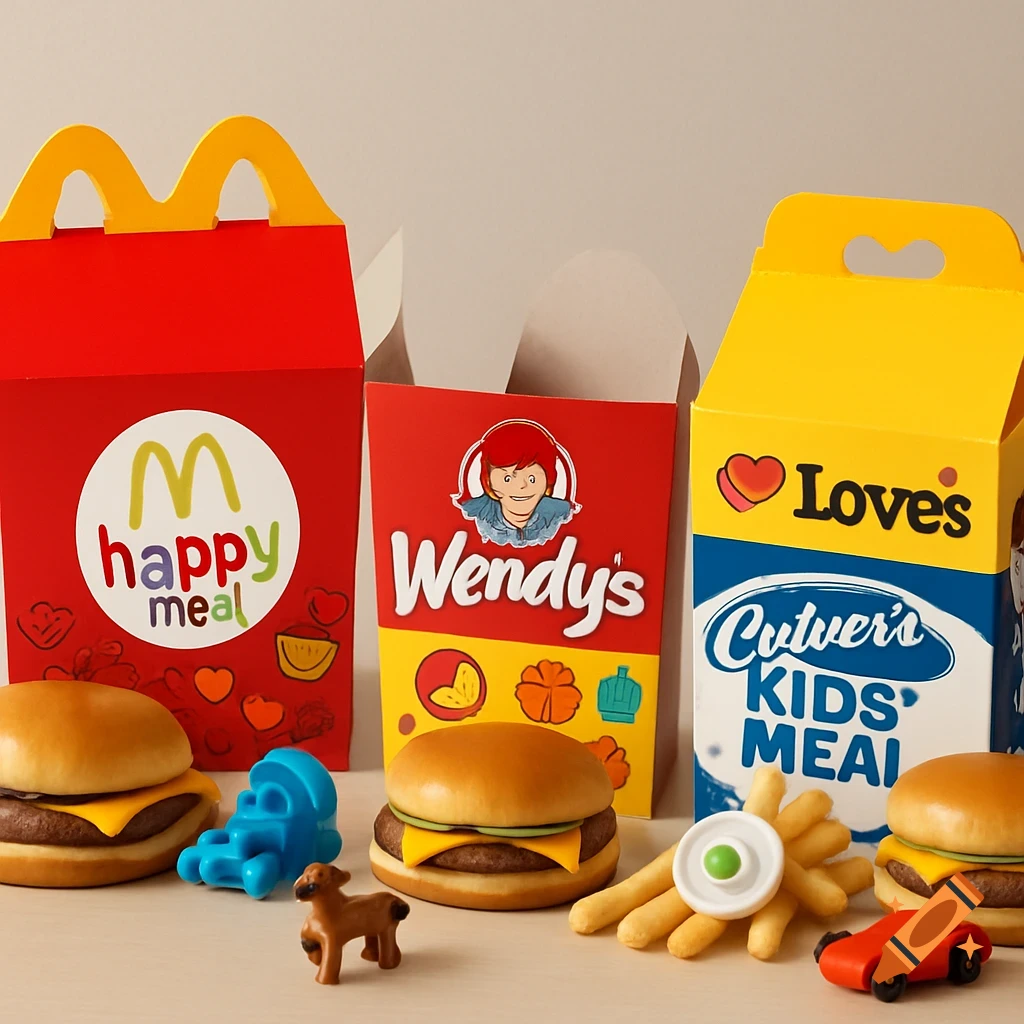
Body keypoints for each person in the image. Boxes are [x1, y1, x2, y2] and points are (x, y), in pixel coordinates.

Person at [453, 419, 577, 547]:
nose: (521, 486)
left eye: (532, 479)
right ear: (488, 480)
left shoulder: (561, 513)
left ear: (548, 480)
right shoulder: (474, 512)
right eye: (507, 478)